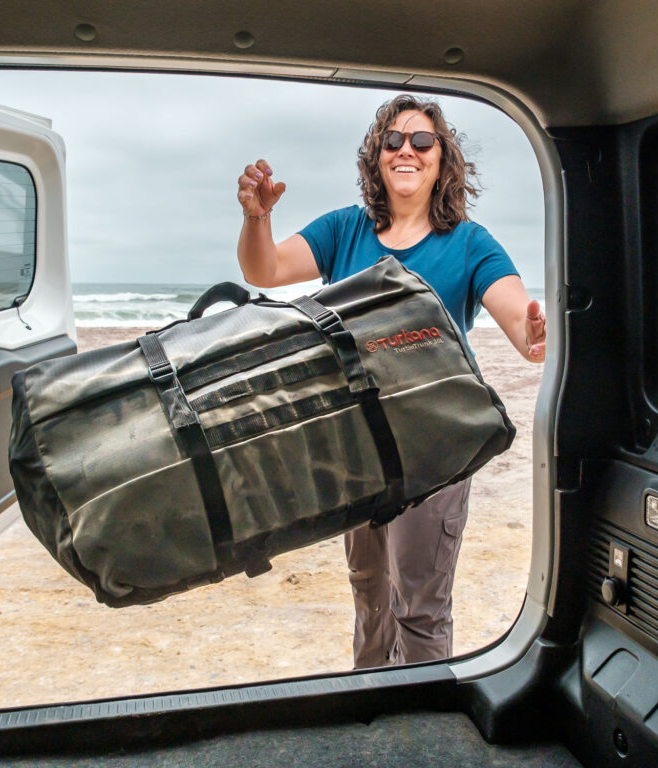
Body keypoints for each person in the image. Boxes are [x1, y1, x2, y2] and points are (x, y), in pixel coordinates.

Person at [236, 94, 546, 668]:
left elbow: (522, 327)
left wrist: (535, 333)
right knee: (369, 596)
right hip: (358, 454)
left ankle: (420, 731)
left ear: (442, 159)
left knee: (420, 609)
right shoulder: (344, 230)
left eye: (422, 141)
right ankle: (369, 712)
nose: (407, 150)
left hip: (436, 454)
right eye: (393, 141)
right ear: (376, 158)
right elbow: (264, 270)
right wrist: (258, 217)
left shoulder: (469, 243)